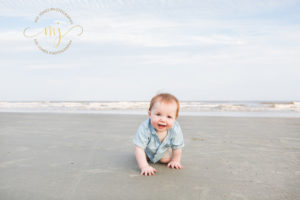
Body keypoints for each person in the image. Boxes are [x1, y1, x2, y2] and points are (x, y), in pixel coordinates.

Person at [133, 93, 184, 176]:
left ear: (175, 118)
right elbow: (139, 148)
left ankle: (162, 157)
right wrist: (144, 166)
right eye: (158, 114)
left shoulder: (175, 128)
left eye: (169, 117)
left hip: (162, 150)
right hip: (148, 149)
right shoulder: (145, 127)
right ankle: (147, 156)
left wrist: (175, 160)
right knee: (143, 158)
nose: (163, 119)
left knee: (165, 160)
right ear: (150, 114)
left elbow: (177, 147)